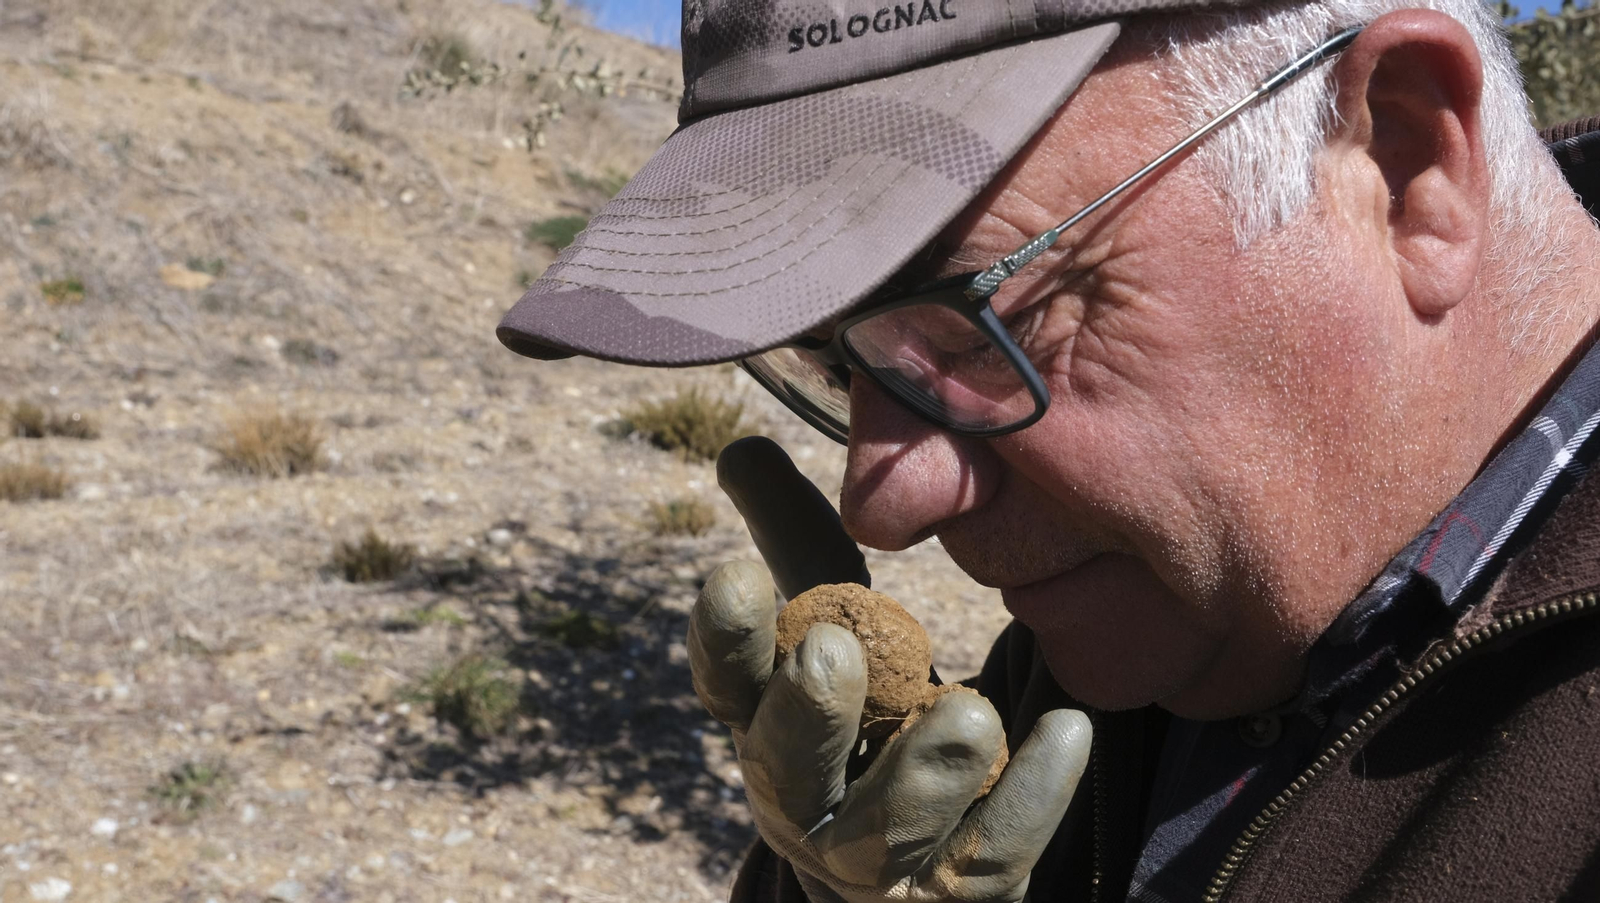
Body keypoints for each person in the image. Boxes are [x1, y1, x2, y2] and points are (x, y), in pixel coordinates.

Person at [496, 0, 1600, 898]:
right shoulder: (1103, 663)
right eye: (836, 363)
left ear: (1406, 164)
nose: (883, 503)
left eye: (980, 323)